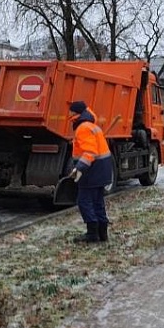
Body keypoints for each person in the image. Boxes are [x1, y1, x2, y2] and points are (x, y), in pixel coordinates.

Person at [68, 100, 113, 243]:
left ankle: (92, 233)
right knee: (98, 201)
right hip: (102, 169)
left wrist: (79, 168)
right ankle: (102, 233)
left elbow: (90, 152)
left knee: (84, 202)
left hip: (91, 171)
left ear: (75, 113)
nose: (68, 114)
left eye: (70, 111)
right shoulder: (92, 126)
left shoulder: (82, 128)